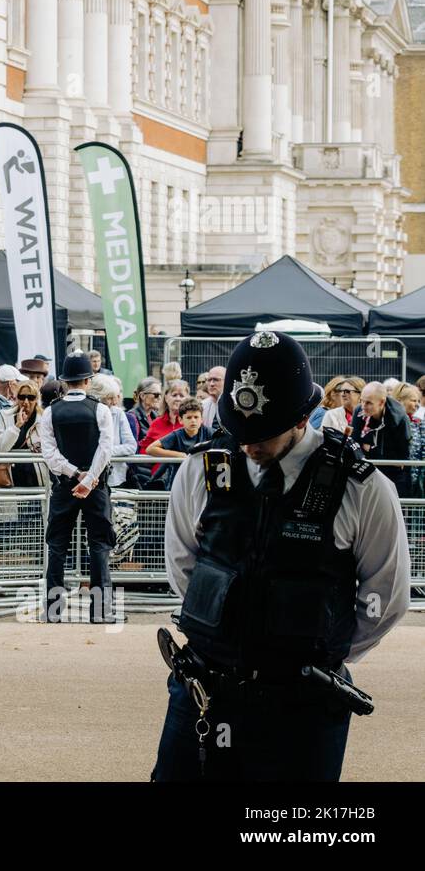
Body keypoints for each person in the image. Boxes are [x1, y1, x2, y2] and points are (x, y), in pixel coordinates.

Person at [153, 330, 411, 781]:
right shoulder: (202, 470)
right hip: (208, 690)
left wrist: (317, 652)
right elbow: (185, 568)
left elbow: (385, 598)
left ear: (301, 417)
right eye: (241, 428)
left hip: (304, 704)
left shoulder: (363, 489)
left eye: (264, 432)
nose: (250, 444)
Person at [38, 351, 115, 623]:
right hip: (95, 486)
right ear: (88, 379)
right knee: (99, 545)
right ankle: (100, 611)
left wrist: (74, 474)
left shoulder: (50, 412)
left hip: (64, 485)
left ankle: (53, 610)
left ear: (65, 381)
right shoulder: (101, 409)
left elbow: (49, 454)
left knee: (57, 545)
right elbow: (106, 449)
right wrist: (90, 478)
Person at [352, 381, 412, 498]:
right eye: (362, 400)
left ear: (382, 402)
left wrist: (371, 449)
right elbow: (355, 443)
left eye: (369, 402)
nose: (363, 406)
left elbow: (402, 456)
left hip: (394, 473)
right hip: (368, 469)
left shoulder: (399, 418)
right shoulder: (359, 411)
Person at [0, 379, 48, 488]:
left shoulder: (44, 418)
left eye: (30, 398)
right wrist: (16, 426)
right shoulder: (5, 416)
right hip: (11, 476)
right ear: (17, 398)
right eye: (22, 397)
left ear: (36, 399)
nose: (26, 402)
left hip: (38, 477)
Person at [145, 399, 211, 489]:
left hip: (201, 480)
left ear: (201, 419)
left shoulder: (208, 432)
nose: (193, 421)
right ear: (180, 420)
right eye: (189, 417)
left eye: (196, 417)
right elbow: (150, 449)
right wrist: (178, 455)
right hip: (179, 481)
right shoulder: (176, 435)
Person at [91, 375, 137, 489]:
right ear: (98, 397)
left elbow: (131, 446)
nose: (115, 402)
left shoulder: (118, 413)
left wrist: (105, 451)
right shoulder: (88, 413)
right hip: (90, 476)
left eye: (115, 397)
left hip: (115, 477)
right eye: (110, 398)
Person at [199, 365, 225, 432]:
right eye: (209, 380)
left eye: (216, 380)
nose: (211, 384)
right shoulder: (202, 406)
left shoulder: (234, 405)